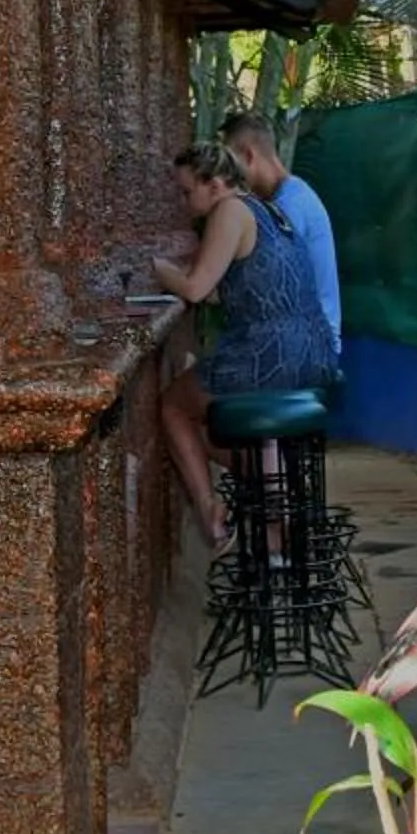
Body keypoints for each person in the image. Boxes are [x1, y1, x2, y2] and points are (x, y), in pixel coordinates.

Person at [150, 141, 338, 552]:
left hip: (270, 356)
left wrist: (159, 271)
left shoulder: (229, 211)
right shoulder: (270, 210)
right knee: (219, 416)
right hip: (315, 353)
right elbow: (236, 287)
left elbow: (198, 289)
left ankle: (210, 511)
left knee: (175, 406)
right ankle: (279, 494)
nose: (185, 202)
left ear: (215, 183)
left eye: (187, 191)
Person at [219, 113, 340, 363]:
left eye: (231, 165)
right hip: (299, 342)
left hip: (303, 350)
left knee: (180, 396)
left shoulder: (288, 208)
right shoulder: (290, 196)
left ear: (249, 156)